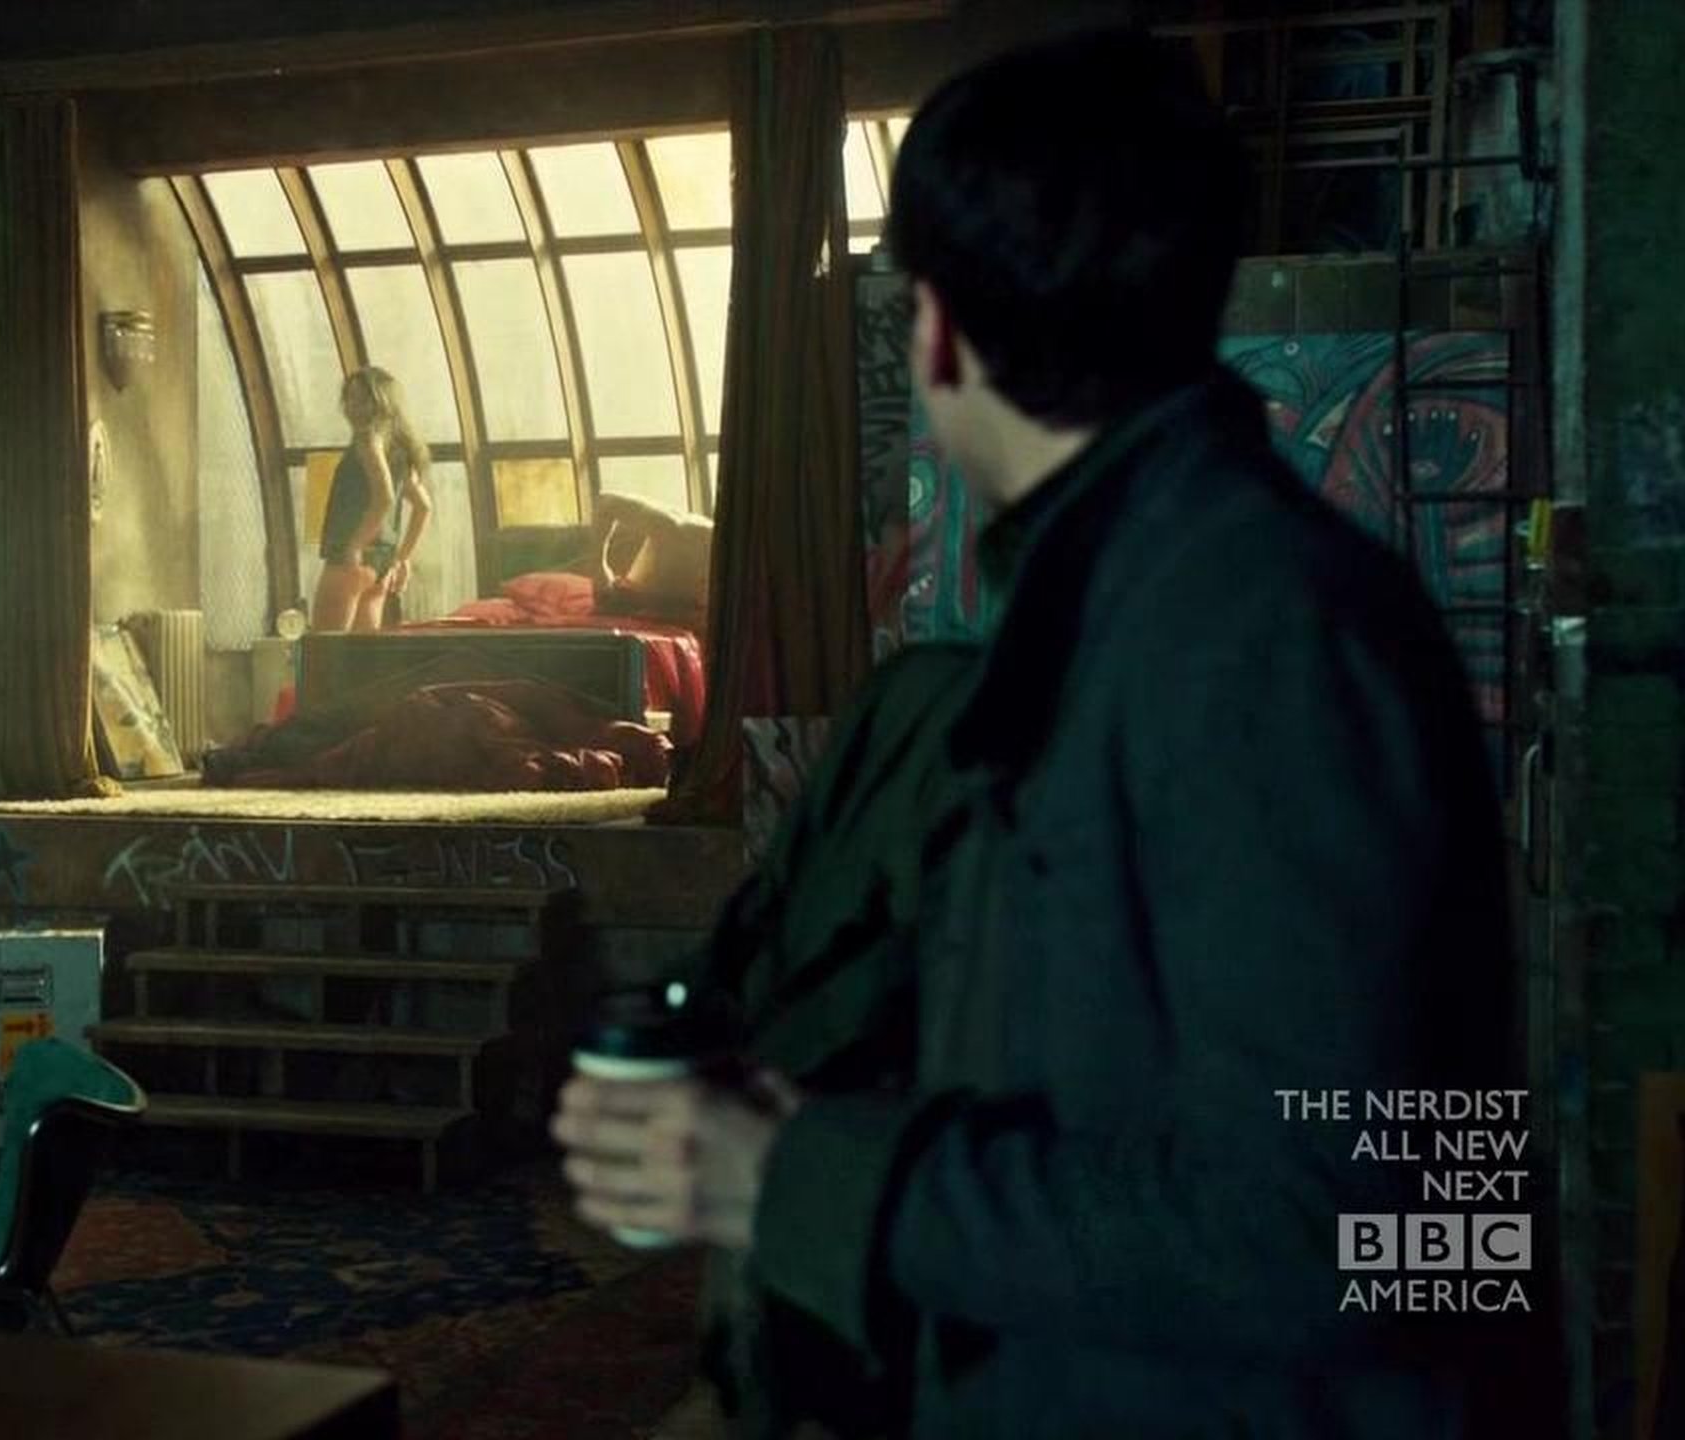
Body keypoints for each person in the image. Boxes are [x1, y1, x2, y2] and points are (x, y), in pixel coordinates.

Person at [551, 29, 1556, 1439]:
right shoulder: (1148, 613)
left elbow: (1405, 1240)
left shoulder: (1261, 640)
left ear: (938, 334)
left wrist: (797, 1179)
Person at [312, 367, 434, 633]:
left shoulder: (368, 440)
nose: (352, 407)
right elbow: (423, 508)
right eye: (349, 398)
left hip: (350, 559)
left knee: (325, 648)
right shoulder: (399, 448)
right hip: (381, 565)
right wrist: (402, 558)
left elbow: (384, 496)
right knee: (362, 653)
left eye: (362, 400)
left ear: (382, 402)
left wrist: (355, 546)